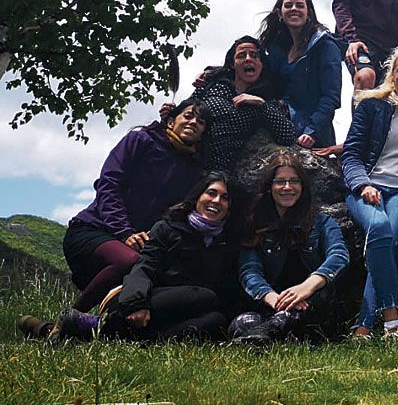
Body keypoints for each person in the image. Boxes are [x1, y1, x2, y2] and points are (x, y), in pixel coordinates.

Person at [22, 100, 210, 339]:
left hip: (136, 243)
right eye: (188, 116)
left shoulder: (192, 170)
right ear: (171, 120)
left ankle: (52, 330)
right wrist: (124, 232)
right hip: (93, 230)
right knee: (129, 260)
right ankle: (69, 319)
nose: (193, 122)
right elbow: (109, 185)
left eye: (200, 121)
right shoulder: (140, 140)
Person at [51, 173, 240, 343]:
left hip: (177, 314)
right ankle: (103, 322)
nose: (216, 201)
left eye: (225, 198)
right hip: (139, 298)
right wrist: (136, 303)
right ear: (198, 197)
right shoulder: (168, 229)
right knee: (205, 296)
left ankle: (98, 331)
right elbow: (144, 268)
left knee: (216, 321)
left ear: (230, 208)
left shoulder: (224, 243)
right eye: (211, 193)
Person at [341, 47, 398, 344]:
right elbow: (351, 154)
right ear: (392, 74)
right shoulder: (372, 106)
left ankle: (363, 329)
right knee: (378, 228)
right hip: (367, 185)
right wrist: (363, 184)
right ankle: (392, 319)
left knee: (386, 241)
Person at [230, 153, 349, 345]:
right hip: (274, 303)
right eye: (280, 182)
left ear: (303, 187)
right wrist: (274, 299)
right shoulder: (256, 225)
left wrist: (306, 287)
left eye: (294, 181)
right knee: (241, 323)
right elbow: (249, 270)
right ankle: (276, 333)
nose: (287, 187)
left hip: (312, 304)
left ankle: (272, 333)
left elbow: (339, 255)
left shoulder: (322, 222)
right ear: (270, 187)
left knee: (294, 314)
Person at [192, 36, 296, 171]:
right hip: (189, 159)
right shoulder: (211, 85)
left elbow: (288, 136)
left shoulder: (265, 102)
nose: (248, 59)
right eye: (241, 55)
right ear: (232, 63)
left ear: (261, 65)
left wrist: (262, 105)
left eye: (254, 55)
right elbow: (186, 111)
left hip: (221, 173)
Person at [260, 0, 343, 150]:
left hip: (311, 134)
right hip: (280, 124)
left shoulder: (325, 45)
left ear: (309, 13)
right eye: (288, 5)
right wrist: (214, 73)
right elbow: (255, 75)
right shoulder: (278, 49)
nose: (294, 9)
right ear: (279, 13)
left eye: (299, 5)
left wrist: (312, 131)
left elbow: (331, 97)